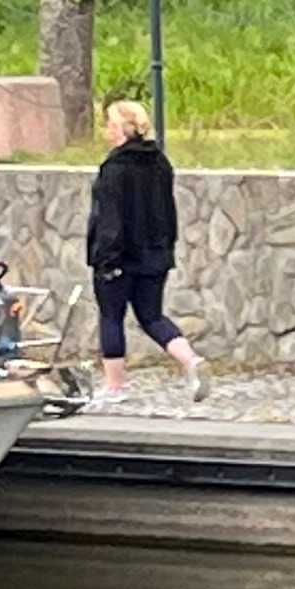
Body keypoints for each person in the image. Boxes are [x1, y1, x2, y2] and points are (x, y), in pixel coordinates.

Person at [87, 97, 206, 405]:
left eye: (111, 125)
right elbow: (168, 210)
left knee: (111, 317)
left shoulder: (115, 168)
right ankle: (190, 360)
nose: (108, 132)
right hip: (155, 254)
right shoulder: (160, 163)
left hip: (121, 257)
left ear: (124, 129)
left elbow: (110, 218)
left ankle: (115, 386)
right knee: (151, 315)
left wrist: (105, 258)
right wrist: (166, 249)